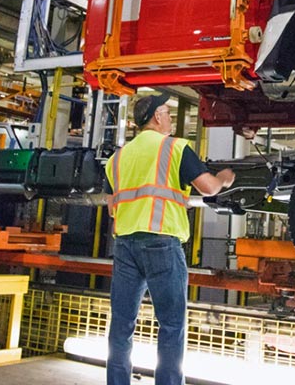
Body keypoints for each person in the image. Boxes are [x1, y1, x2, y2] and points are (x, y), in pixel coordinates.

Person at [106, 93, 236, 385]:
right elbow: (209, 188)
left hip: (125, 245)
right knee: (171, 324)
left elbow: (113, 205)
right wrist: (226, 176)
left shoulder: (117, 158)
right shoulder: (175, 148)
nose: (169, 118)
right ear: (156, 117)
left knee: (122, 325)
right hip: (162, 243)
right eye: (166, 112)